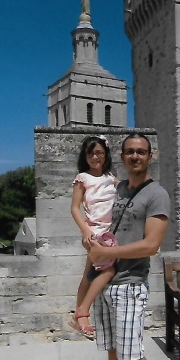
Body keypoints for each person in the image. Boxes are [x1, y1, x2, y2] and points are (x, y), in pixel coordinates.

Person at [86, 132, 170, 360]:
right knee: (113, 352)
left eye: (141, 152)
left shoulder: (157, 194)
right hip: (106, 281)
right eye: (130, 152)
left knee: (133, 354)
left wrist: (110, 256)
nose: (135, 156)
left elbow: (151, 245)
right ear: (122, 156)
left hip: (130, 285)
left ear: (151, 156)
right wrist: (93, 243)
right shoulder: (119, 189)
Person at [70, 135, 117, 340]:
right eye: (91, 154)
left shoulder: (110, 177)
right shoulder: (83, 178)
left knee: (89, 275)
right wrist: (86, 231)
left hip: (110, 233)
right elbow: (74, 208)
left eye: (99, 152)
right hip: (95, 233)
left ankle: (77, 315)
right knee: (108, 270)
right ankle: (83, 312)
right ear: (85, 157)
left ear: (105, 154)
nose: (95, 157)